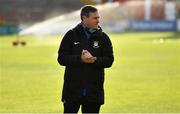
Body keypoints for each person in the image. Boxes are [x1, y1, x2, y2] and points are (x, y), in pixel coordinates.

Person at [57, 5, 114, 113]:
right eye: (95, 18)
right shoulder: (71, 35)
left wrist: (94, 60)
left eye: (98, 17)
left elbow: (109, 60)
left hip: (94, 92)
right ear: (84, 18)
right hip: (72, 91)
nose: (98, 21)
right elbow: (61, 58)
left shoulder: (103, 38)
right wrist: (80, 59)